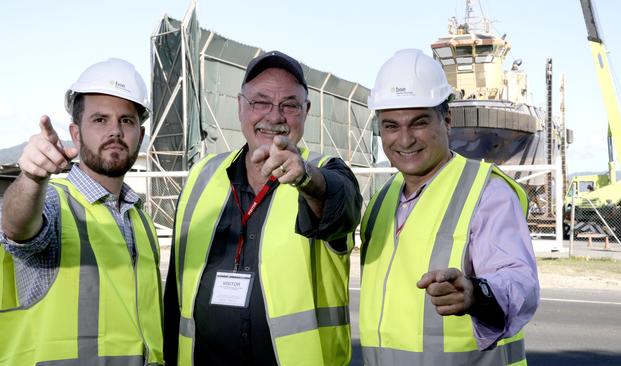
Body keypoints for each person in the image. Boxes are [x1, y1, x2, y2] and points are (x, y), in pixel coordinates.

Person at [163, 50, 362, 365]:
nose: (274, 116)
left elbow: (342, 208)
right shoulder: (201, 177)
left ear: (306, 110)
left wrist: (307, 179)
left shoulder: (325, 171)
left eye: (290, 105)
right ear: (240, 106)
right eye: (260, 102)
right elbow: (175, 294)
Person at [359, 49, 540, 365]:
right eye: (390, 126)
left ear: (446, 120)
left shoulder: (487, 193)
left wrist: (475, 294)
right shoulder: (380, 202)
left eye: (418, 123)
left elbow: (518, 281)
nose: (404, 139)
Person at [0, 58, 164, 365]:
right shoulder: (54, 202)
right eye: (100, 120)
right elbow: (17, 229)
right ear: (75, 134)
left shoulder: (141, 221)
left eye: (126, 121)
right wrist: (33, 179)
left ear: (140, 137)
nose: (115, 131)